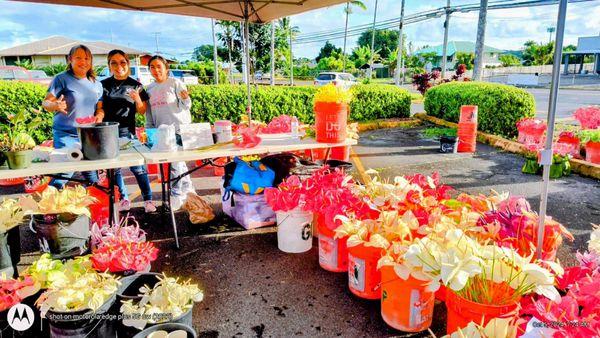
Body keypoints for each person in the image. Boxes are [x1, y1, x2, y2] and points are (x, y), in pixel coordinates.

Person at [96, 49, 156, 213]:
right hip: (107, 133)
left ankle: (148, 199)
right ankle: (123, 198)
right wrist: (98, 119)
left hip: (127, 133)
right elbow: (99, 108)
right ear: (109, 66)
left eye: (122, 62)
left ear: (128, 64)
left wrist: (137, 99)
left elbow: (143, 111)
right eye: (113, 63)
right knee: (115, 169)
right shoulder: (103, 85)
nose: (118, 66)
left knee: (137, 167)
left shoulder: (136, 85)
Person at [42, 44, 101, 188]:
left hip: (88, 135)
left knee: (92, 176)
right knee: (65, 172)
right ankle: (47, 205)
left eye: (87, 58)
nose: (83, 61)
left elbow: (100, 107)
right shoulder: (61, 78)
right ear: (70, 59)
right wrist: (55, 105)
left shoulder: (96, 84)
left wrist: (99, 115)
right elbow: (46, 102)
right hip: (66, 134)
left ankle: (85, 205)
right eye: (78, 58)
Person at [145, 55, 195, 210]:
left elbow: (186, 105)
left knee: (175, 164)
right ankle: (188, 188)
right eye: (152, 67)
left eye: (159, 66)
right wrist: (149, 129)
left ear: (166, 68)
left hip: (179, 129)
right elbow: (149, 112)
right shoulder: (149, 89)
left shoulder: (175, 83)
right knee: (179, 163)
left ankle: (175, 195)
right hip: (162, 133)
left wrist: (186, 99)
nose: (156, 70)